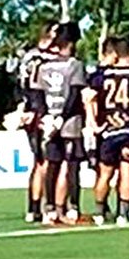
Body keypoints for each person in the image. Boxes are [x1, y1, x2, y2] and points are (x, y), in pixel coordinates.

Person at [85, 37, 129, 225]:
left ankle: (100, 211)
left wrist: (93, 123)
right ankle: (124, 212)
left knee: (105, 173)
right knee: (127, 170)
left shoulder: (101, 75)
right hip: (128, 128)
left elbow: (89, 98)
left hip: (109, 128)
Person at [35, 22, 89, 224]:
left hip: (50, 120)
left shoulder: (44, 65)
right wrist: (61, 117)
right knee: (73, 164)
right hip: (70, 121)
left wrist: (48, 116)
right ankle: (73, 208)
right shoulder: (75, 65)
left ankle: (49, 209)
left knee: (53, 163)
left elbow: (38, 94)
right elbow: (75, 94)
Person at [14, 24, 56, 223]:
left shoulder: (27, 57)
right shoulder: (44, 58)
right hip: (42, 112)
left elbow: (19, 86)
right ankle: (49, 206)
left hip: (30, 111)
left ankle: (33, 207)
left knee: (39, 161)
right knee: (47, 161)